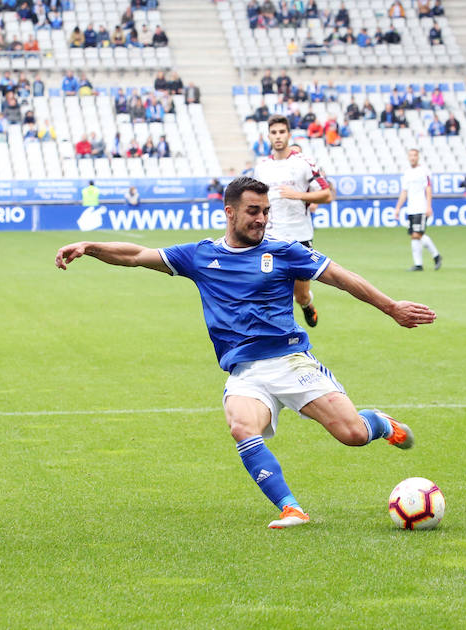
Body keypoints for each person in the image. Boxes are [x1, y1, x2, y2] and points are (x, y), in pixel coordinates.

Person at [54, 177, 435, 528]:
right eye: (254, 211)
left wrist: (392, 308)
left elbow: (342, 277)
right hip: (245, 372)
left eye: (266, 212)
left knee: (352, 434)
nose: (262, 219)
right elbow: (137, 255)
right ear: (230, 212)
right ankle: (291, 507)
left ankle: (379, 423)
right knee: (241, 425)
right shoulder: (199, 256)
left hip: (289, 361)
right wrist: (90, 247)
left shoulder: (285, 251)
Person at [254, 115, 331, 327]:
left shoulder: (304, 163)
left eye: (281, 132)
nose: (278, 136)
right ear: (268, 136)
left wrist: (297, 195)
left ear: (288, 134)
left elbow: (327, 195)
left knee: (301, 295)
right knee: (269, 291)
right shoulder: (261, 168)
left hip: (300, 237)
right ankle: (280, 334)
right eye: (274, 132)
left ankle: (307, 306)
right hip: (270, 237)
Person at [394, 148, 442, 272]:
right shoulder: (407, 173)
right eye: (410, 155)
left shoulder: (424, 171)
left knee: (417, 234)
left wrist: (429, 206)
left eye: (415, 155)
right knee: (415, 235)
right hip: (411, 208)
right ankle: (422, 262)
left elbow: (428, 188)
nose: (413, 157)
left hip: (421, 207)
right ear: (408, 157)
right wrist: (398, 207)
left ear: (418, 157)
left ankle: (430, 258)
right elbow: (404, 191)